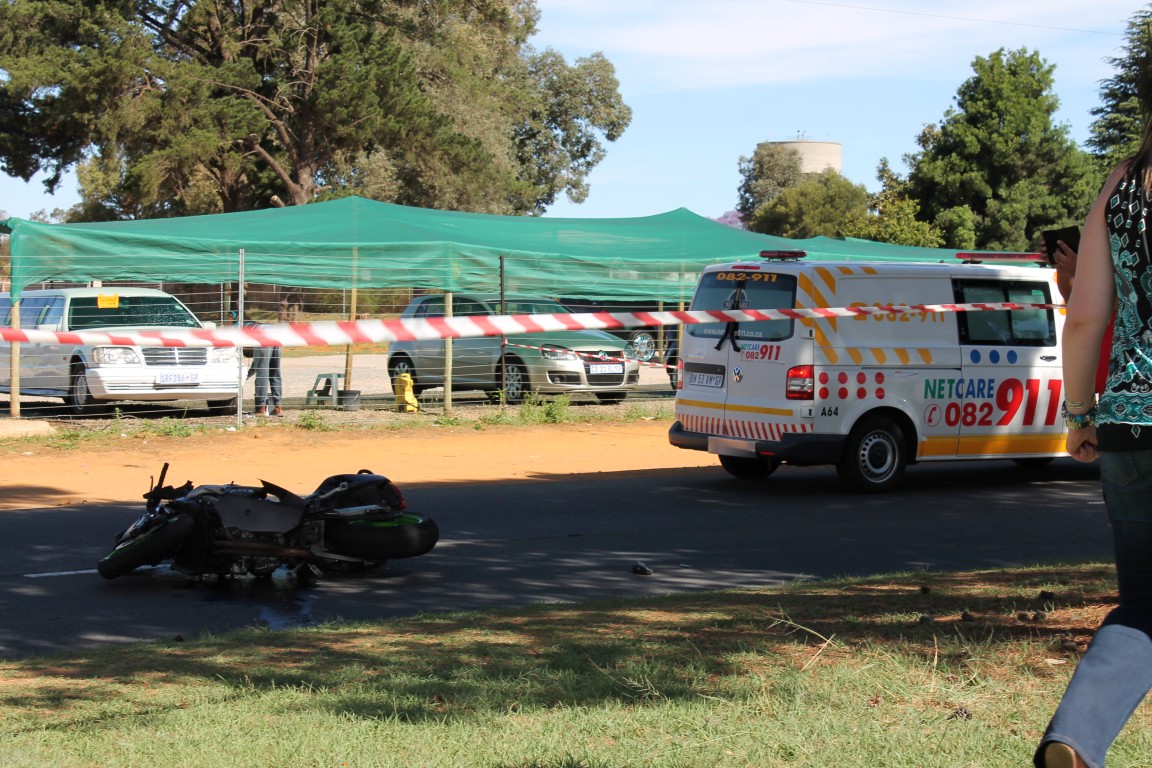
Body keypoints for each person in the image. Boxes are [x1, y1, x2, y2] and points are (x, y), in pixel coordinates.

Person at [1034, 123, 1152, 768]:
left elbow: (1083, 316)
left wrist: (1080, 415)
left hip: (1132, 424)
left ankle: (1076, 737)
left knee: (1145, 606)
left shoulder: (1124, 184)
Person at [232, 310, 283, 417]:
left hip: (263, 336)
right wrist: (245, 377)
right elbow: (255, 366)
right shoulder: (250, 327)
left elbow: (259, 367)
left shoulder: (235, 328)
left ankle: (260, 409)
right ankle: (278, 408)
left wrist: (242, 377)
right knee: (275, 372)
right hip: (277, 335)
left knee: (262, 375)